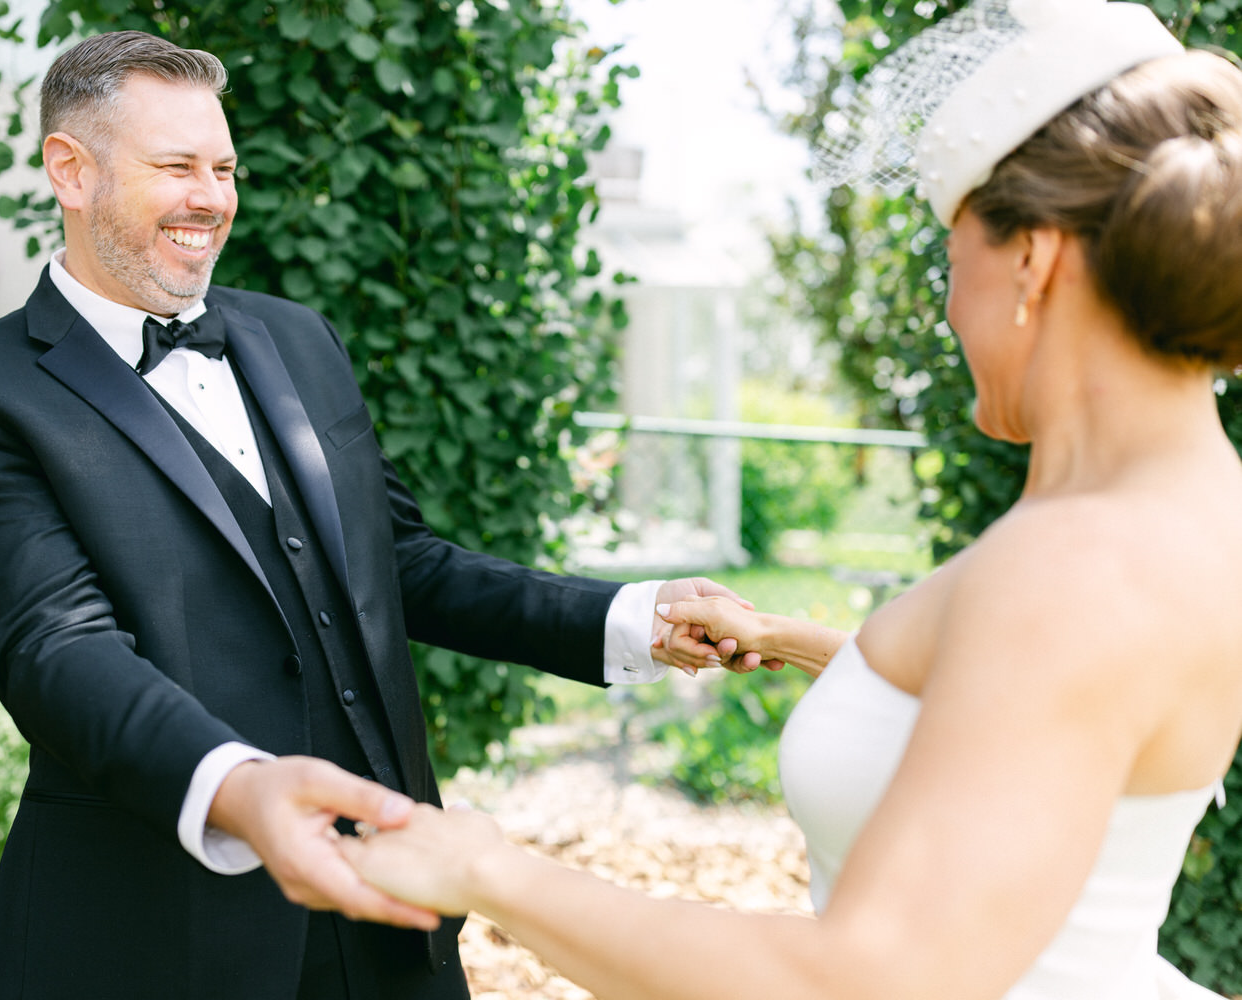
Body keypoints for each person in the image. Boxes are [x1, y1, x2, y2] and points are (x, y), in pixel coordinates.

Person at [342, 3, 1242, 998]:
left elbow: (853, 981)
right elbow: (1034, 708)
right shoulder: (1186, 506)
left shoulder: (1078, 564)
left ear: (1030, 259)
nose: (950, 311)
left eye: (954, 263)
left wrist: (485, 866)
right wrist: (797, 640)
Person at [0, 29, 741, 1000]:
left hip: (389, 914)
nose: (211, 197)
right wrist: (242, 791)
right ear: (71, 172)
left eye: (224, 167)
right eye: (176, 167)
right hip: (154, 937)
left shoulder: (297, 340)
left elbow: (399, 564)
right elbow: (57, 648)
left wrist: (628, 616)